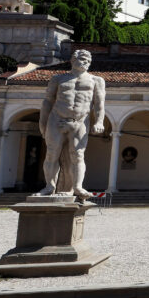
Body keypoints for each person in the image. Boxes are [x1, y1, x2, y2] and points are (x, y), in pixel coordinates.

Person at [38, 49, 105, 200]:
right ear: (73, 60)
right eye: (82, 59)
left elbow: (99, 104)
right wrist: (42, 123)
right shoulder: (58, 79)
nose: (86, 63)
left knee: (78, 155)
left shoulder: (96, 80)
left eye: (88, 61)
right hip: (56, 119)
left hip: (79, 121)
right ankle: (49, 186)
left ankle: (78, 186)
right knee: (51, 153)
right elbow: (47, 102)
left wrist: (99, 121)